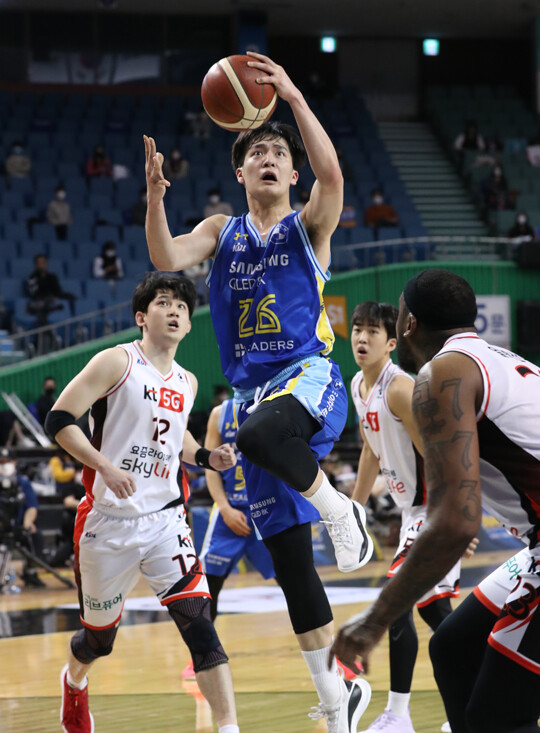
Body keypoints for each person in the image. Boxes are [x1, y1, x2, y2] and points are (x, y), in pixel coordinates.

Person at [144, 50, 373, 732]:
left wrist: (295, 99)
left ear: (292, 172)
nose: (268, 158)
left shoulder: (310, 226)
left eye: (278, 153)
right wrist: (155, 198)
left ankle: (343, 512)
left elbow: (333, 175)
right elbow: (166, 257)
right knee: (294, 565)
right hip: (252, 395)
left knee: (258, 432)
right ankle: (338, 702)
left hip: (307, 379)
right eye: (256, 153)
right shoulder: (222, 231)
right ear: (240, 173)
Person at [332, 268, 540, 733]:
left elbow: (456, 524)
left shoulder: (437, 375)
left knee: (498, 714)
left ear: (407, 324)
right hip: (534, 545)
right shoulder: (493, 358)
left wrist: (375, 619)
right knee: (452, 646)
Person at [44, 272, 239, 733]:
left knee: (201, 629)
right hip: (107, 524)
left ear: (188, 323)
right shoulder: (117, 362)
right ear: (141, 316)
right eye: (163, 303)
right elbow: (59, 419)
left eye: (182, 307)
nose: (174, 311)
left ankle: (229, 727)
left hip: (165, 522)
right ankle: (74, 681)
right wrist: (105, 467)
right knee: (99, 640)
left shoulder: (188, 381)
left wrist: (205, 457)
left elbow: (175, 437)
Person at [349, 301, 469, 733]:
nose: (362, 338)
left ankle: (399, 715)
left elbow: (437, 453)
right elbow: (369, 449)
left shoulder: (400, 389)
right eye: (357, 330)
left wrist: (453, 513)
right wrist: (353, 510)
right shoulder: (358, 386)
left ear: (391, 342)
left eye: (372, 332)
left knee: (397, 603)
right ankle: (476, 707)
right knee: (440, 618)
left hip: (432, 508)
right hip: (411, 513)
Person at [182, 397, 275, 682]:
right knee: (207, 588)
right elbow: (211, 466)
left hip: (267, 510)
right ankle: (202, 656)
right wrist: (224, 508)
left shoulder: (276, 401)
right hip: (229, 511)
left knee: (297, 582)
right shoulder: (219, 414)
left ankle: (329, 654)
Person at [0, 449, 46, 588]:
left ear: (14, 462)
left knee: (36, 537)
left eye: (8, 461)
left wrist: (28, 522)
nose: (4, 465)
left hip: (18, 526)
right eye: (1, 462)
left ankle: (30, 572)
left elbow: (32, 506)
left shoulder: (23, 482)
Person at [47, 452, 85, 568]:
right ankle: (57, 560)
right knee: (71, 543)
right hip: (73, 520)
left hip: (88, 519)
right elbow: (69, 502)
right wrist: (87, 505)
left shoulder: (90, 486)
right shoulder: (70, 486)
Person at [26, 254, 76, 324]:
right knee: (40, 307)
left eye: (43, 262)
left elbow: (58, 291)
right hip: (39, 301)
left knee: (71, 297)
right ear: (36, 265)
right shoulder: (32, 278)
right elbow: (33, 293)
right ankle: (46, 329)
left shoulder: (52, 277)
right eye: (40, 263)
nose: (42, 265)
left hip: (52, 300)